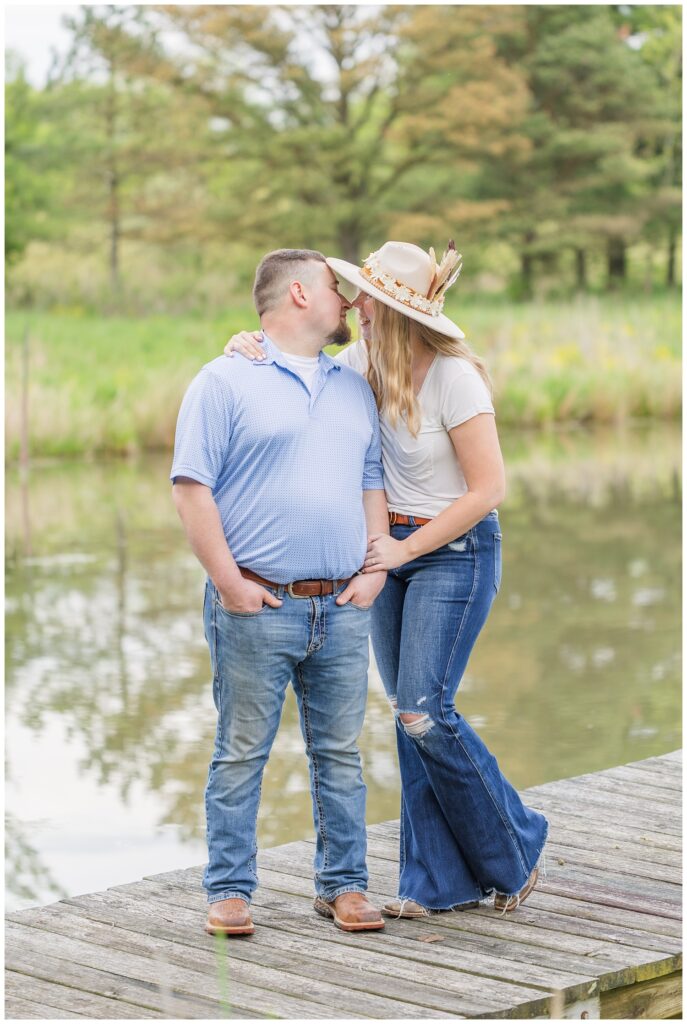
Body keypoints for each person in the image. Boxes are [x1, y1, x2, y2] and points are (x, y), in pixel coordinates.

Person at [225, 240, 549, 918]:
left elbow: (489, 487)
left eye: (365, 298)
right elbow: (291, 360)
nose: (354, 307)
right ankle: (437, 885)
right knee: (408, 721)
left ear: (395, 310)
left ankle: (516, 843)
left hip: (454, 551)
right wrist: (246, 343)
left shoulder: (455, 378)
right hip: (387, 553)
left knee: (424, 712)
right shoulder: (357, 362)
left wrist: (404, 551)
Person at [171, 248, 390, 936]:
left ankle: (343, 886)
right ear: (299, 294)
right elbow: (190, 487)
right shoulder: (223, 380)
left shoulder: (352, 386)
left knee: (340, 754)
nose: (350, 303)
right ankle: (230, 892)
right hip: (256, 605)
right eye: (337, 289)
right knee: (241, 752)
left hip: (342, 607)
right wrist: (228, 583)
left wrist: (375, 570)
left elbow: (370, 482)